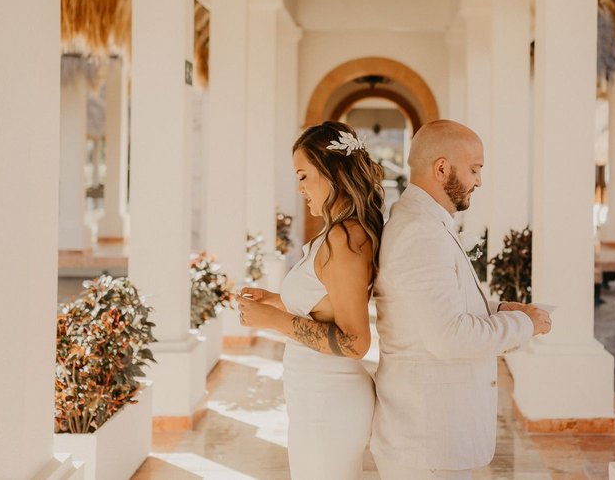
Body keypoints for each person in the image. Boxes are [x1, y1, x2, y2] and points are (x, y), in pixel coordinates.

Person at [371, 119, 552, 479]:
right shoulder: (420, 232)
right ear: (441, 168)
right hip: (427, 442)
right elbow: (449, 337)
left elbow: (437, 307)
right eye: (474, 169)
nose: (479, 181)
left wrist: (500, 309)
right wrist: (524, 324)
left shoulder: (424, 222)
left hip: (432, 438)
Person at [235, 121, 384, 480]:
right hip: (317, 400)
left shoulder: (345, 239)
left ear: (333, 172)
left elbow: (355, 342)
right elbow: (325, 303)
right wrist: (276, 301)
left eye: (303, 176)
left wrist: (272, 321)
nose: (300, 188)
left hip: (328, 403)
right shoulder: (339, 232)